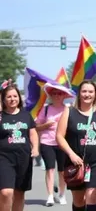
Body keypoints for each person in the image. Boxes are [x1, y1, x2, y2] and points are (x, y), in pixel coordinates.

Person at [56, 80, 96, 211]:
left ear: (95, 94)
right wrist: (71, 154)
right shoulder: (69, 111)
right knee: (78, 200)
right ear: (79, 94)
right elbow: (59, 136)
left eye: (90, 91)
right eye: (84, 91)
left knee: (92, 197)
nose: (87, 94)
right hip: (76, 164)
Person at [0, 83, 39, 211]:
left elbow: (33, 133)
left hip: (24, 158)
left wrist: (35, 148)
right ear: (4, 100)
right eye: (9, 97)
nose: (12, 99)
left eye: (15, 96)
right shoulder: (1, 116)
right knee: (6, 192)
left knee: (19, 193)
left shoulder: (26, 115)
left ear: (19, 98)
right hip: (4, 158)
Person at [36, 84, 75, 206]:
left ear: (64, 96)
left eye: (59, 93)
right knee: (50, 169)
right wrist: (46, 125)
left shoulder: (68, 109)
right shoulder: (45, 109)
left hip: (63, 143)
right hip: (47, 142)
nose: (57, 96)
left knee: (62, 171)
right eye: (54, 93)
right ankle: (50, 196)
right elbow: (36, 127)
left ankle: (62, 194)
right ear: (50, 96)